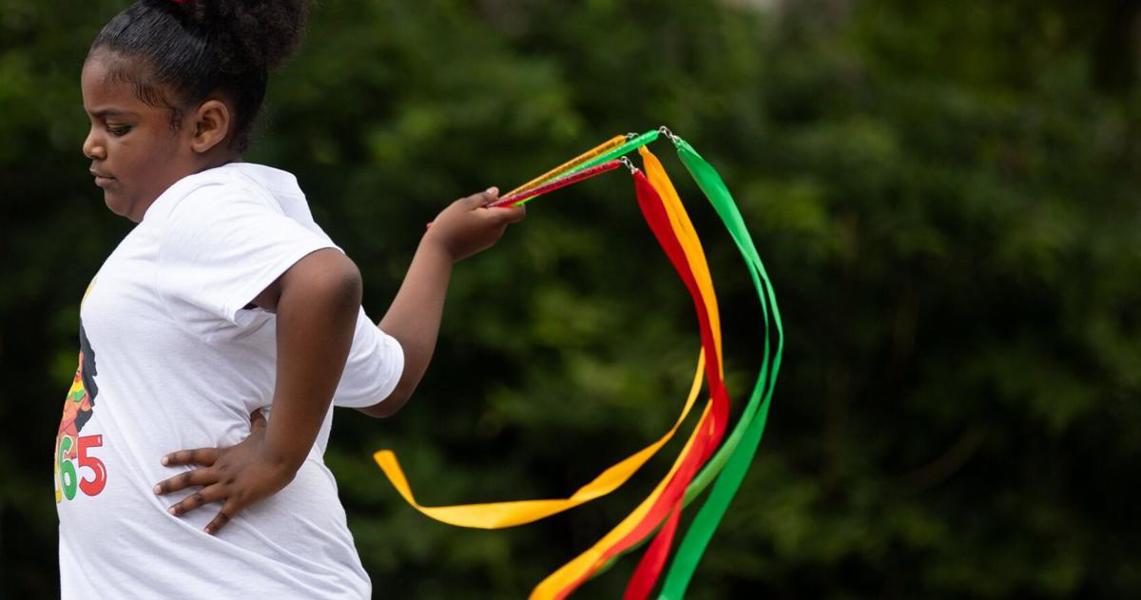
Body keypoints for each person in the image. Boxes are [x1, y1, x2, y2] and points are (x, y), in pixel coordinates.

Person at [55, 0, 525, 597]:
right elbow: (388, 379)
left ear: (205, 126)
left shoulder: (199, 208)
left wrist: (278, 456)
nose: (92, 146)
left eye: (117, 127)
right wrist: (439, 250)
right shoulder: (249, 220)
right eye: (93, 124)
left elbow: (326, 282)